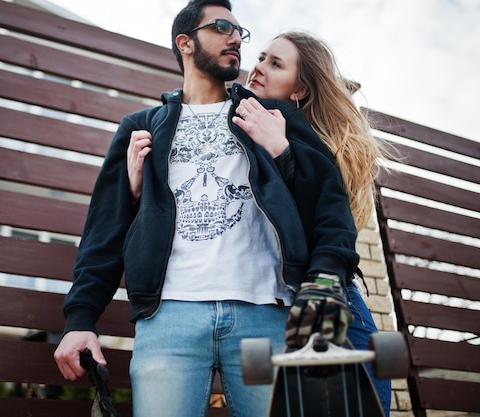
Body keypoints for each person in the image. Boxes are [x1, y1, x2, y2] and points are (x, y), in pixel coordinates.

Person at [54, 1, 357, 416]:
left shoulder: (272, 116)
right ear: (186, 43)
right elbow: (104, 230)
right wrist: (81, 320)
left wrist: (326, 277)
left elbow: (328, 203)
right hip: (168, 319)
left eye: (239, 31)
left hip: (266, 315)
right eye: (221, 27)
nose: (236, 37)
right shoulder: (142, 128)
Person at [127, 30, 393, 415]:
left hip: (329, 299)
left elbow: (325, 220)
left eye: (276, 63)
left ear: (300, 89)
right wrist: (139, 191)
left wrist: (282, 151)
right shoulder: (242, 126)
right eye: (262, 56)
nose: (258, 68)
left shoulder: (301, 139)